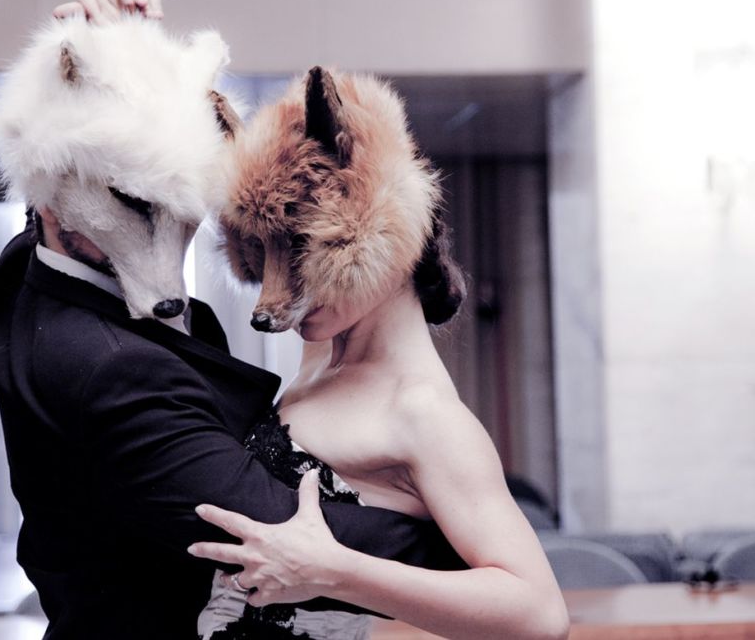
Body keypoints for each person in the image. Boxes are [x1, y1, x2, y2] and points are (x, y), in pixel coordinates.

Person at [0, 0, 463, 640]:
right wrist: (469, 556)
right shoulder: (104, 366)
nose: (171, 282)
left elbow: (81, 182)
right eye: (136, 206)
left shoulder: (22, 279)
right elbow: (267, 523)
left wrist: (113, 70)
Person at [182, 61, 569, 640]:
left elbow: (539, 614)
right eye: (269, 252)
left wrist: (335, 571)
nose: (274, 296)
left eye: (305, 247)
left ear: (374, 231)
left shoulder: (423, 413)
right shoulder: (320, 359)